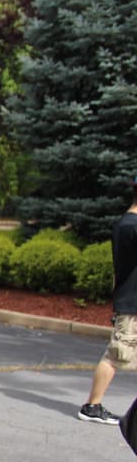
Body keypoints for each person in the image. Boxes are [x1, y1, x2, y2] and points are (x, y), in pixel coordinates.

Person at [78, 181, 137, 424]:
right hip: (132, 302)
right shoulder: (131, 226)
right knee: (116, 354)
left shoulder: (126, 223)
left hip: (130, 298)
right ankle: (92, 406)